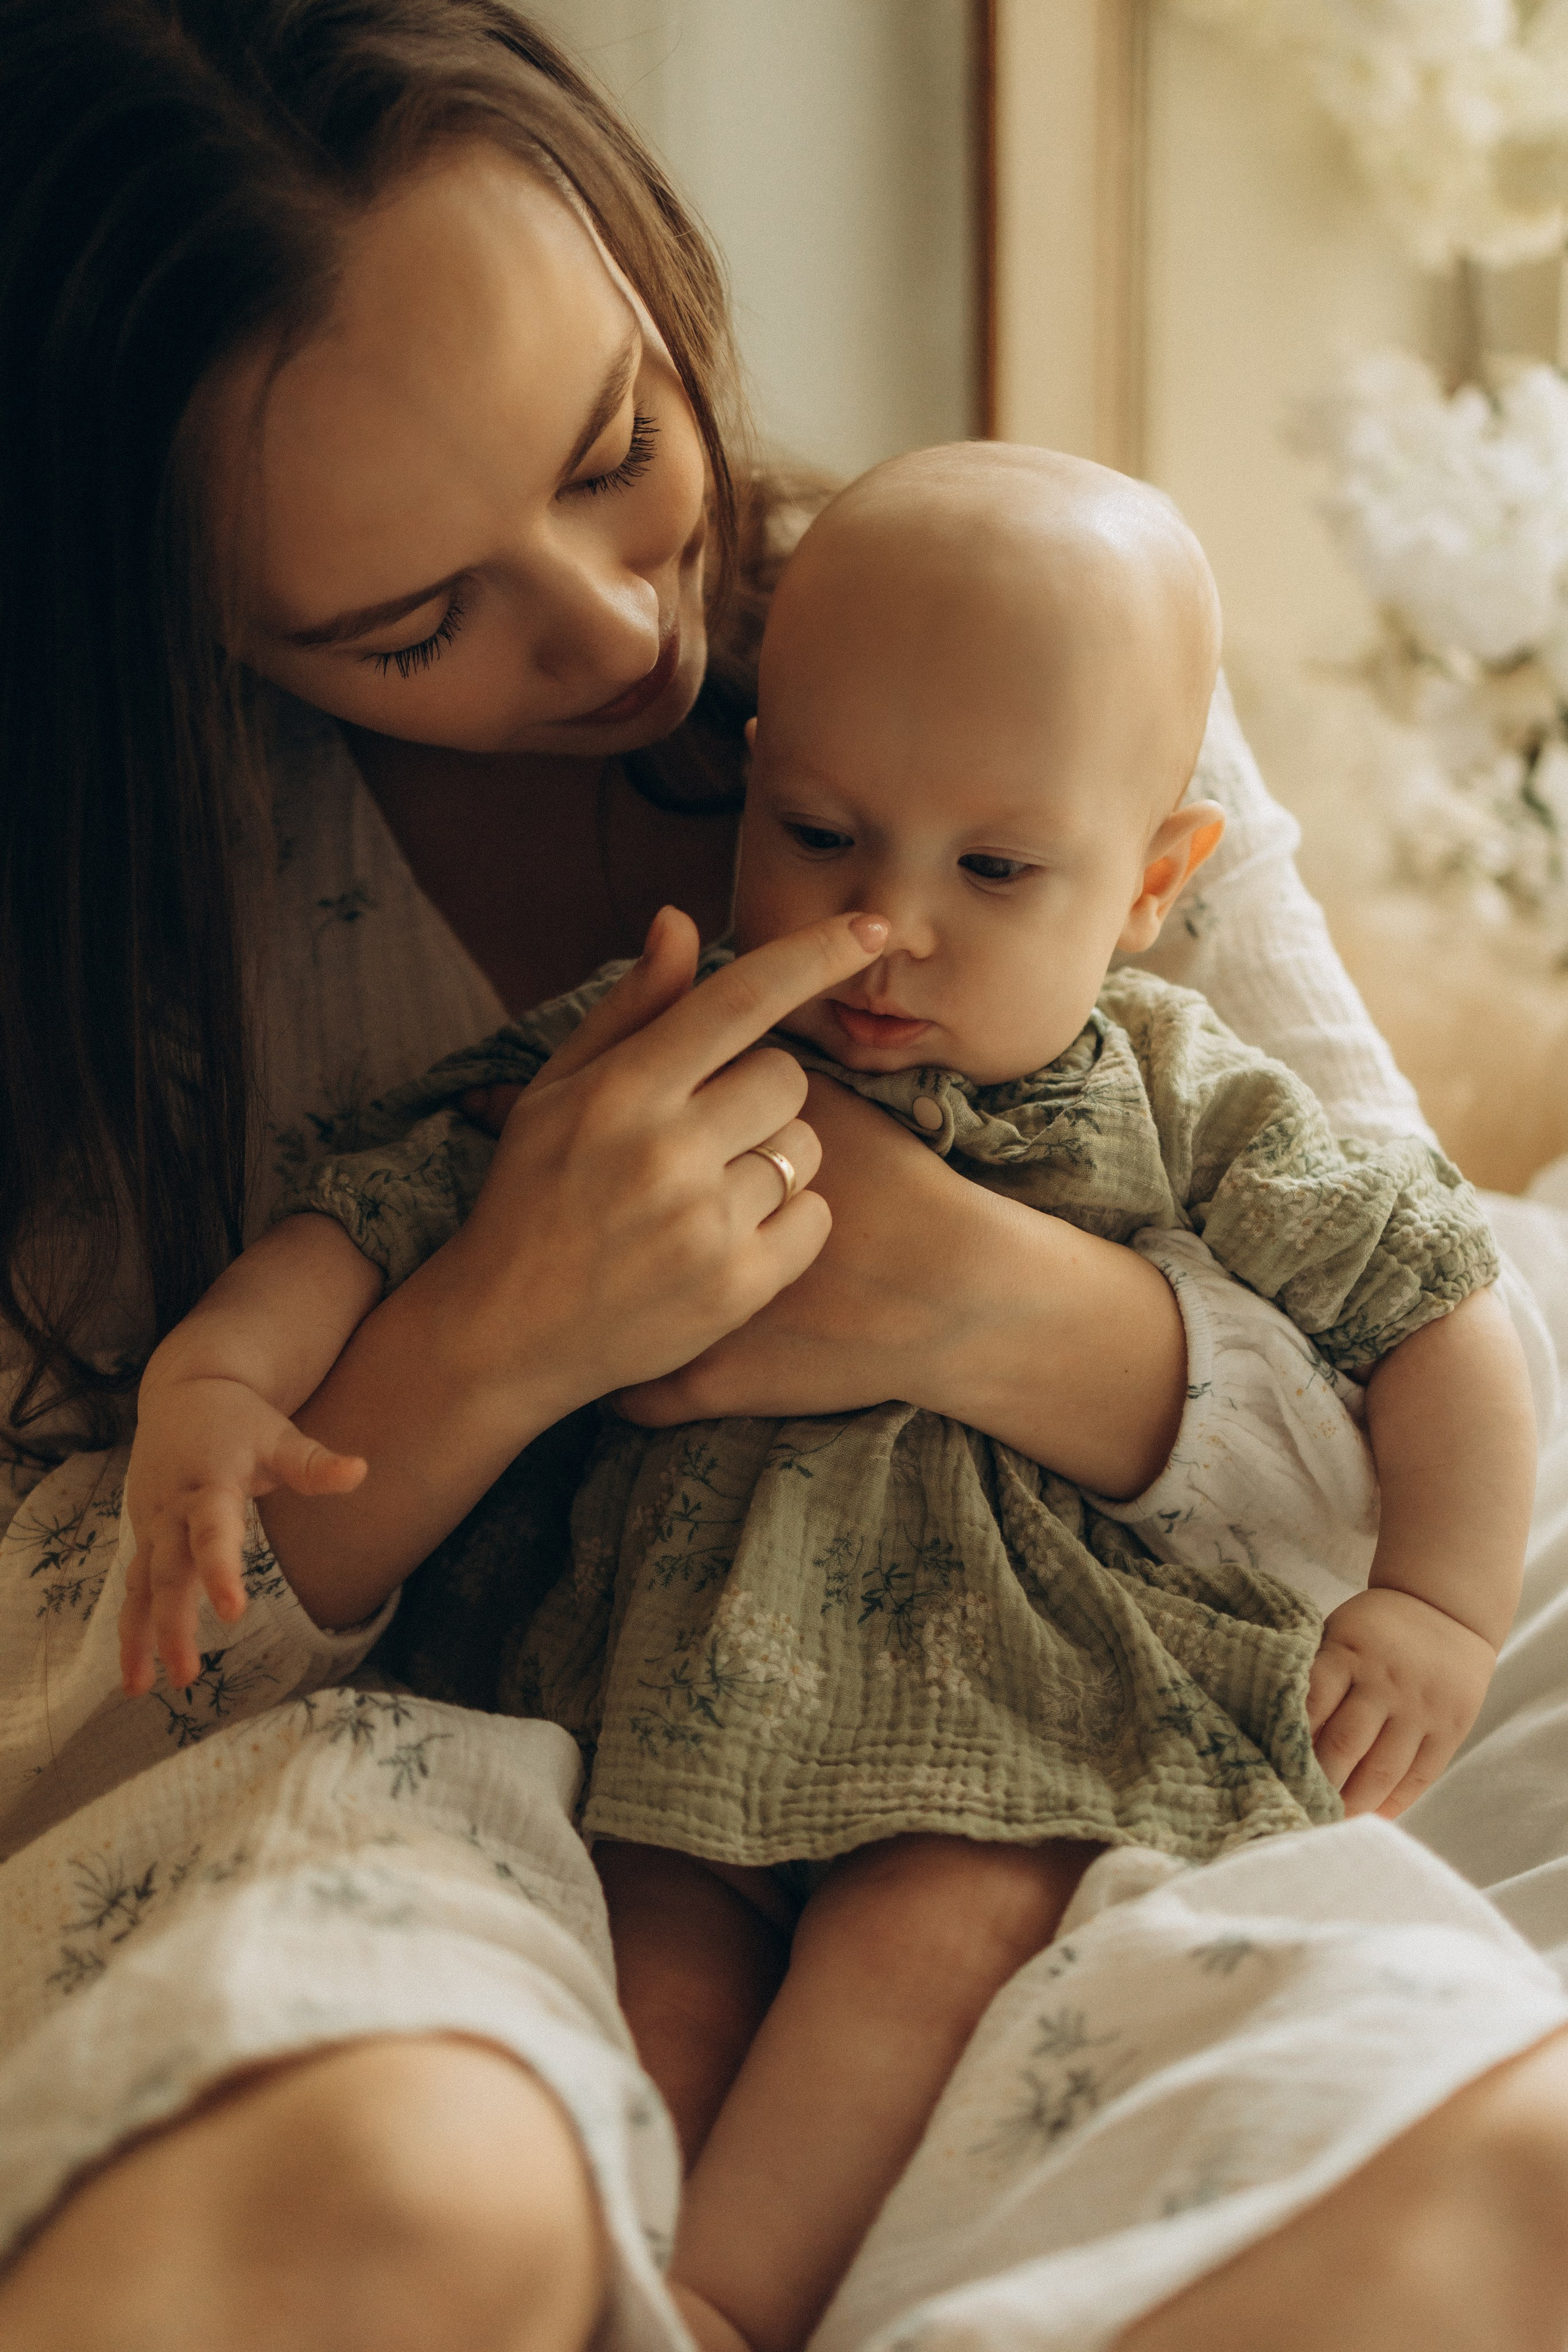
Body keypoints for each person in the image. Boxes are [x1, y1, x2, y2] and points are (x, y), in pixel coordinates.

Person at [1, 6, 1566, 2350]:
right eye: (411, 622)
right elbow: (65, 1676)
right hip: (489, 1742)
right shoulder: (124, 934)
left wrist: (966, 1302)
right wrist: (494, 1344)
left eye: (617, 447)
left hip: (1046, 1720)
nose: (629, 627)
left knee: (1501, 2191)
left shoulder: (1024, 657)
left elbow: (1431, 1337)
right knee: (406, 2199)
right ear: (177, 627)